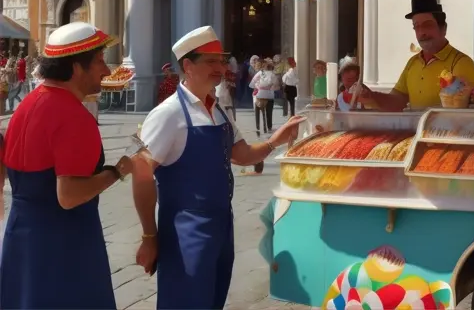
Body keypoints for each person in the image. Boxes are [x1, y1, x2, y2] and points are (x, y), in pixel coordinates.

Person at [131, 25, 303, 310]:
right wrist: (149, 236)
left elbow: (242, 153)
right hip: (186, 229)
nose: (220, 68)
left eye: (221, 60)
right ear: (187, 65)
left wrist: (276, 141)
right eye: (210, 61)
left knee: (213, 300)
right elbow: (141, 173)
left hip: (222, 224)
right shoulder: (167, 114)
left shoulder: (217, 109)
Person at [0, 22, 134, 309]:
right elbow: (69, 195)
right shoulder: (74, 116)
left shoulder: (27, 104)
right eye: (99, 61)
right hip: (65, 246)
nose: (107, 70)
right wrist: (118, 170)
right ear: (75, 67)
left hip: (21, 237)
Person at [359, 0, 474, 111]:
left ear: (443, 28)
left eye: (428, 25)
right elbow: (397, 101)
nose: (422, 32)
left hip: (446, 133)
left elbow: (468, 109)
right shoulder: (413, 63)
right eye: (416, 27)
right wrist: (371, 96)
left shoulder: (460, 62)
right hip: (416, 132)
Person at [249, 59, 279, 136]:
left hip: (260, 95)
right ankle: (269, 126)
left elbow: (251, 85)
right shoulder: (272, 74)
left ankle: (258, 126)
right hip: (270, 96)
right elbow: (277, 86)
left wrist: (257, 86)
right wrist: (271, 88)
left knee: (257, 108)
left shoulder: (259, 73)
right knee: (269, 112)